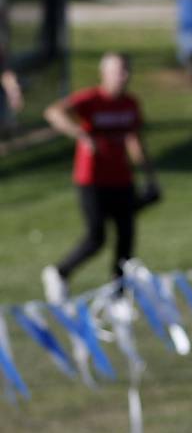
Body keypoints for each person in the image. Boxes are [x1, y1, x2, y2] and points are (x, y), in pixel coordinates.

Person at [40, 52, 160, 303]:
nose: (124, 76)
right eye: (119, 71)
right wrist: (80, 134)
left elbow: (135, 140)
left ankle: (119, 297)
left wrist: (150, 176)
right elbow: (52, 113)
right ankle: (59, 273)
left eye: (127, 71)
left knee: (126, 239)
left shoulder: (130, 104)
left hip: (122, 179)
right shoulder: (90, 100)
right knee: (97, 237)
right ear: (104, 74)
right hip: (91, 180)